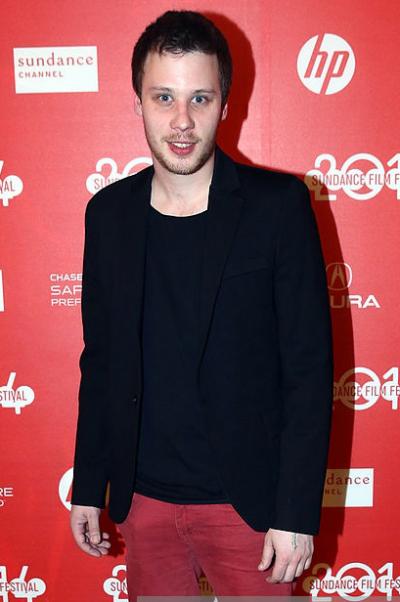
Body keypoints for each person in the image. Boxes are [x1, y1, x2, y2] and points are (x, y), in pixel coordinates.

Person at [70, 9, 333, 599]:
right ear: (138, 102)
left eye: (200, 99)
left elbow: (308, 373)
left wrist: (295, 511)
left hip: (250, 508)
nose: (182, 120)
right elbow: (101, 361)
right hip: (144, 503)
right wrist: (89, 484)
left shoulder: (278, 208)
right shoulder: (108, 216)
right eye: (163, 97)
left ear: (225, 104)